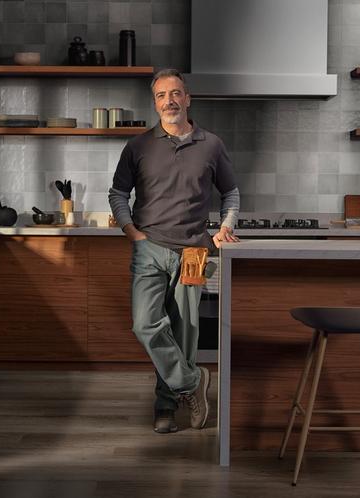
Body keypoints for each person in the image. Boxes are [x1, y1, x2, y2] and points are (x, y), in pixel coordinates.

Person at [108, 68, 240, 434]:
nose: (170, 100)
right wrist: (130, 230)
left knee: (184, 332)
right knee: (146, 324)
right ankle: (193, 382)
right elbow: (118, 194)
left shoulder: (211, 145)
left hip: (194, 251)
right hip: (148, 246)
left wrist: (226, 226)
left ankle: (166, 408)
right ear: (155, 102)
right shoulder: (138, 147)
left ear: (188, 98)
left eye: (176, 93)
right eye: (162, 95)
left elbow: (230, 192)